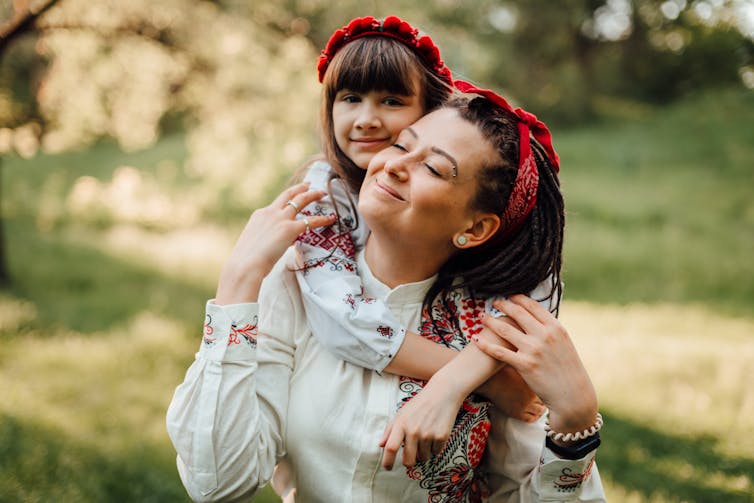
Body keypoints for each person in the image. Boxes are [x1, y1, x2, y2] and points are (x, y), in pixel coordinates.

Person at [166, 92, 606, 501]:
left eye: (433, 168)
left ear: (474, 229)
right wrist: (239, 282)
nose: (394, 165)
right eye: (399, 145)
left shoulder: (497, 330)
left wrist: (575, 426)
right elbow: (219, 482)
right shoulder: (300, 283)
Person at [294, 15, 547, 424]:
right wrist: (479, 378)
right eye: (350, 98)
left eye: (391, 101)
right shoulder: (321, 195)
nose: (366, 119)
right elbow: (341, 318)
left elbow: (533, 295)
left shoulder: (461, 201)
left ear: (431, 111)